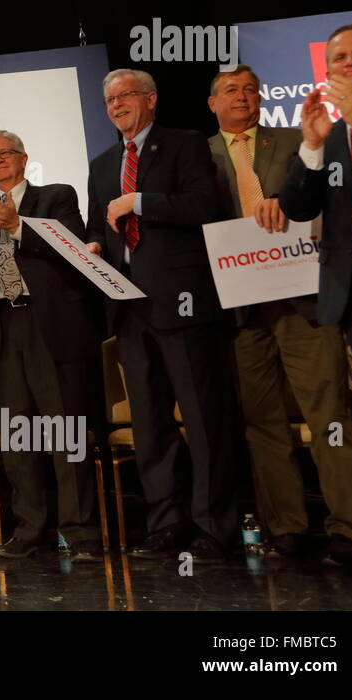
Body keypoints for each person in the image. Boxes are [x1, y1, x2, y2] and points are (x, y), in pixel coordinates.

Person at [208, 64, 352, 569]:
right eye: (231, 90)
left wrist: (289, 199)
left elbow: (328, 193)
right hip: (240, 308)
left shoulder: (296, 140)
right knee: (262, 424)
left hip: (303, 298)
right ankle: (286, 528)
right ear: (211, 103)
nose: (243, 97)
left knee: (329, 417)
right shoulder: (197, 156)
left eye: (251, 89)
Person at [85, 69, 238, 559]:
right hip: (129, 311)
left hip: (184, 303)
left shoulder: (186, 144)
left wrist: (141, 201)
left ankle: (215, 526)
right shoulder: (102, 162)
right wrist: (92, 244)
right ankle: (165, 524)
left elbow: (205, 205)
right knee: (150, 427)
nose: (115, 105)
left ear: (150, 99)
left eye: (124, 95)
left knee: (202, 418)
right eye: (109, 99)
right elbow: (99, 223)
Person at [278, 23, 352, 588]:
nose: (347, 64)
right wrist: (314, 144)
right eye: (337, 58)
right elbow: (297, 206)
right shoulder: (334, 137)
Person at [0, 131, 102, 560]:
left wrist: (16, 226)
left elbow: (74, 250)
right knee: (15, 437)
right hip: (1, 331)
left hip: (48, 328)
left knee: (64, 431)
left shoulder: (56, 197)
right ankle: (29, 529)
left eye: (5, 154)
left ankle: (80, 534)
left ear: (24, 159)